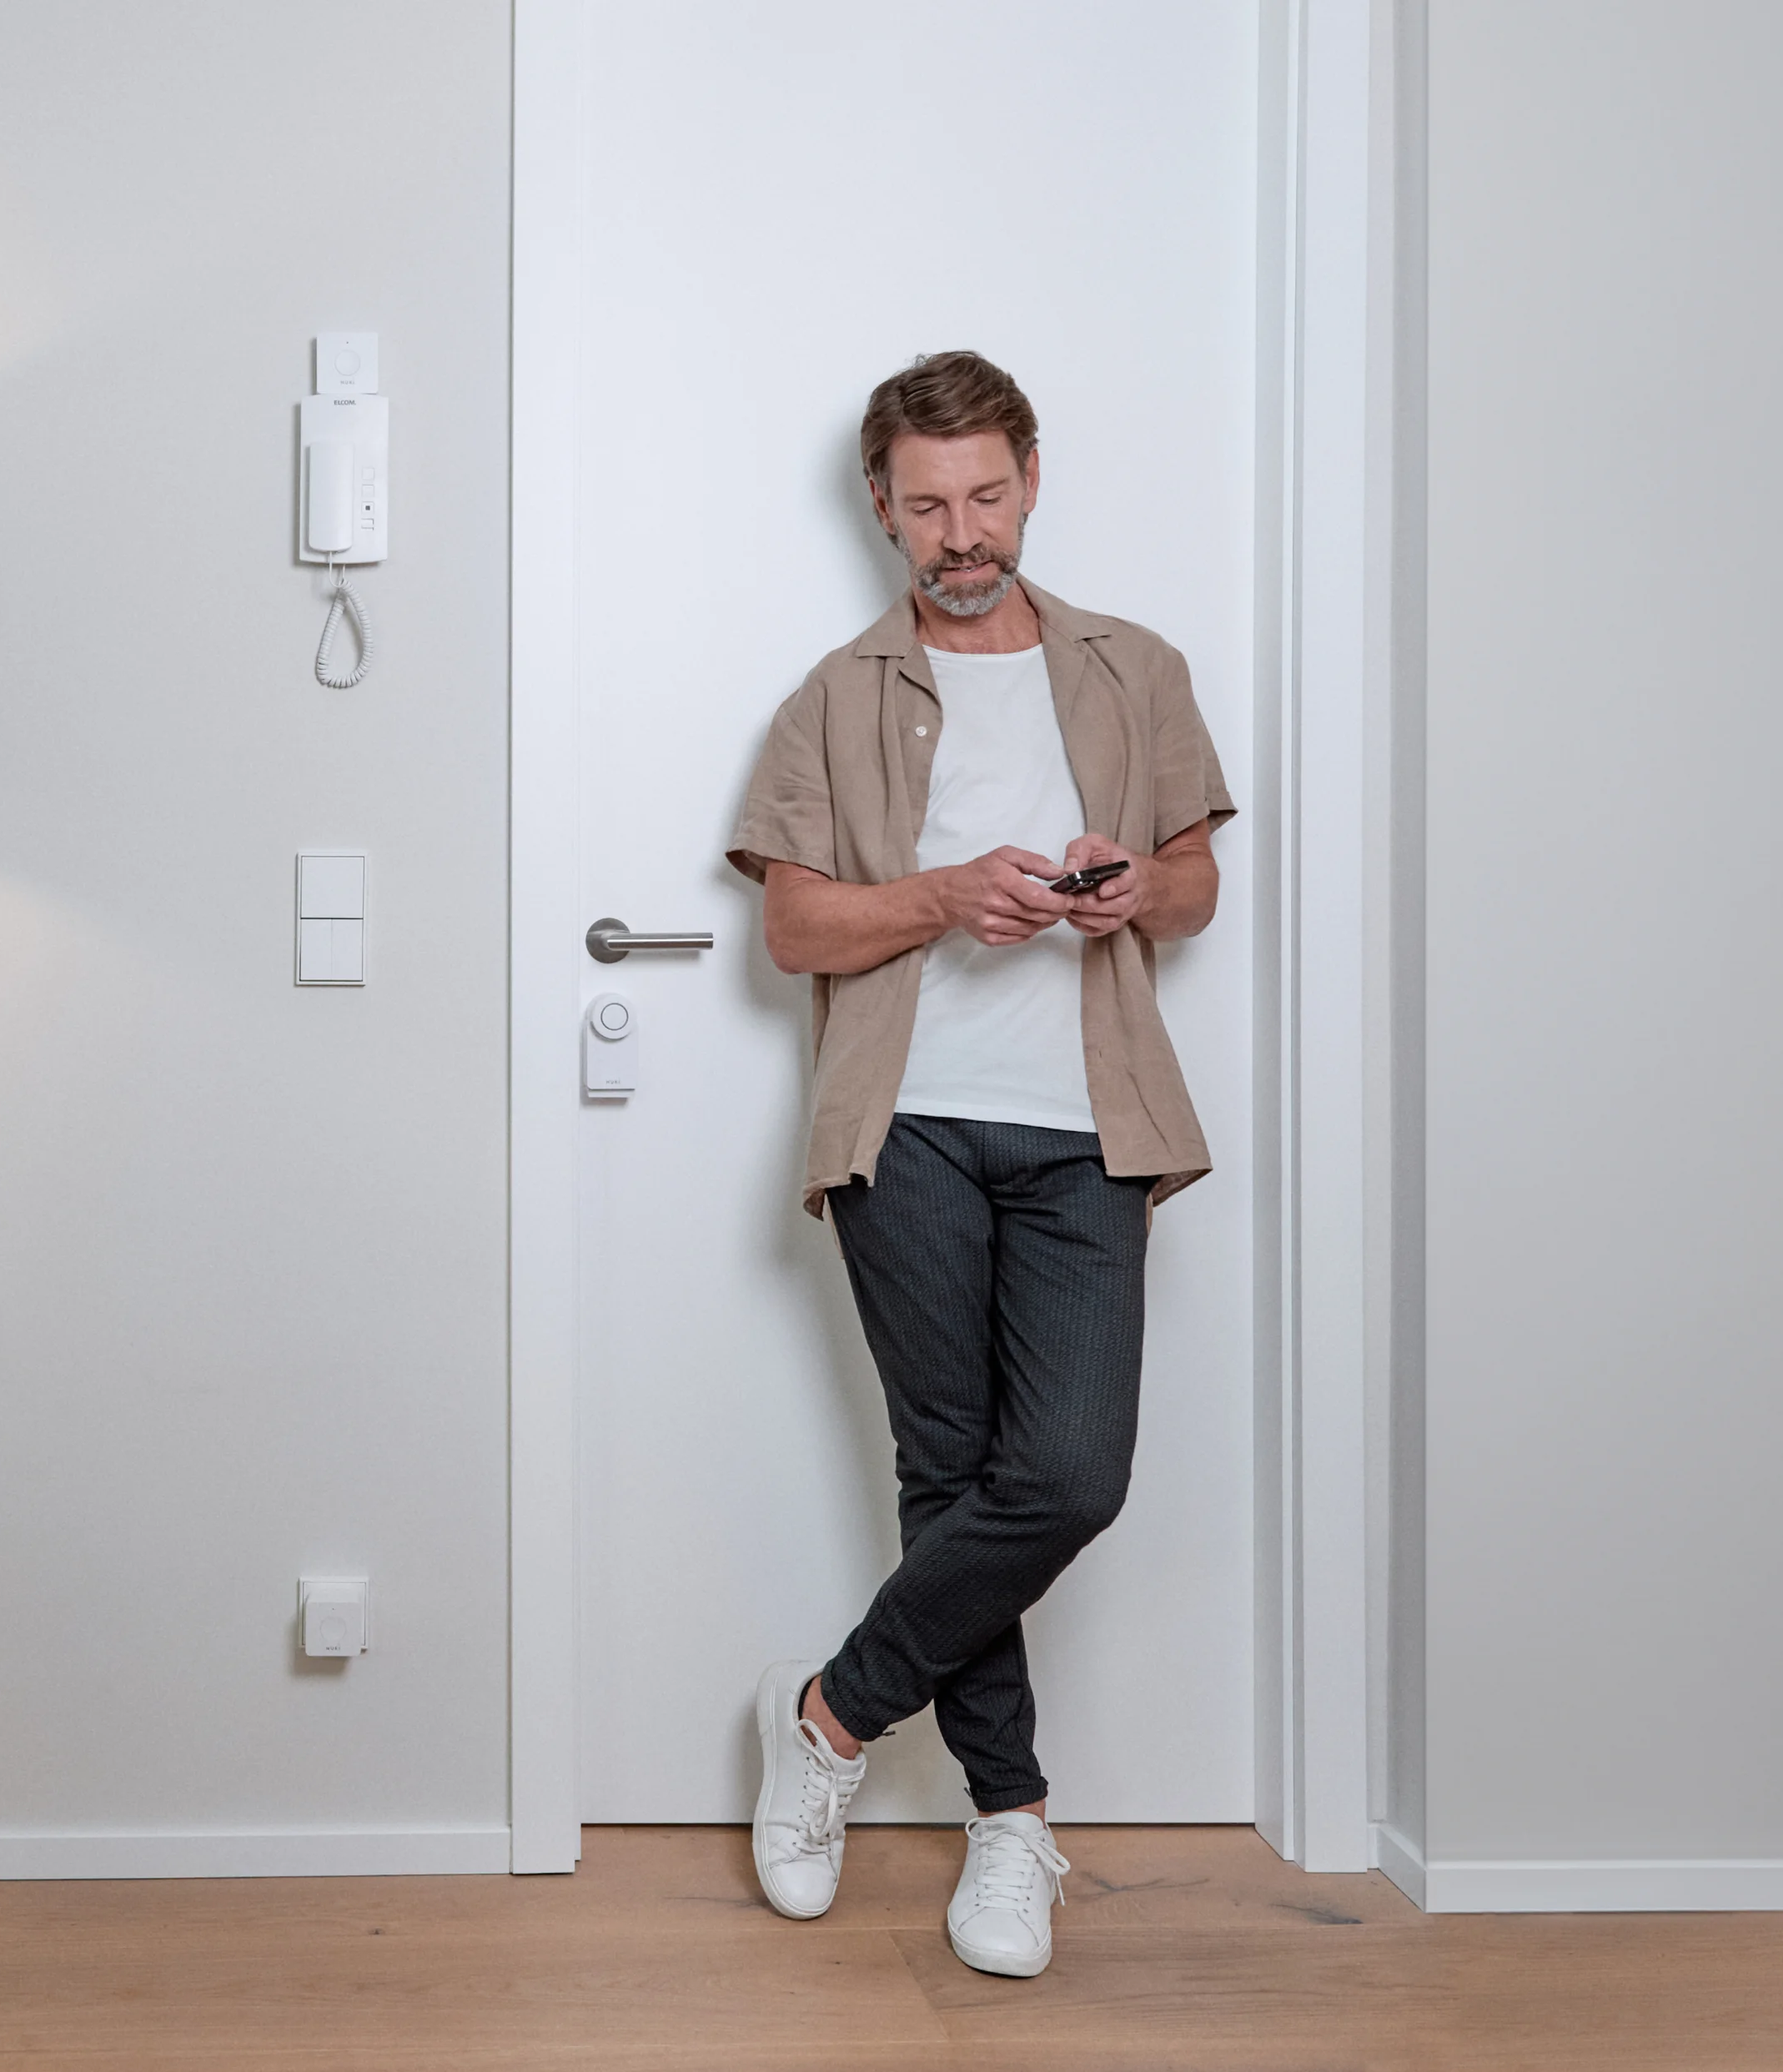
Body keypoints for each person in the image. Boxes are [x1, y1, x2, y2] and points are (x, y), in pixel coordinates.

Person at [725, 350, 1235, 1979]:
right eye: (929, 503)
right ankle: (1008, 1825)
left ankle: (824, 1716)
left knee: (1067, 1473)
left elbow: (1195, 885)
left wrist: (1114, 891)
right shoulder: (830, 696)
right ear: (883, 505)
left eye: (988, 495)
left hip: (1089, 1124)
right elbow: (796, 922)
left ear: (1029, 482)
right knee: (951, 1475)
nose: (963, 533)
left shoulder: (1131, 668)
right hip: (910, 1123)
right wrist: (948, 897)